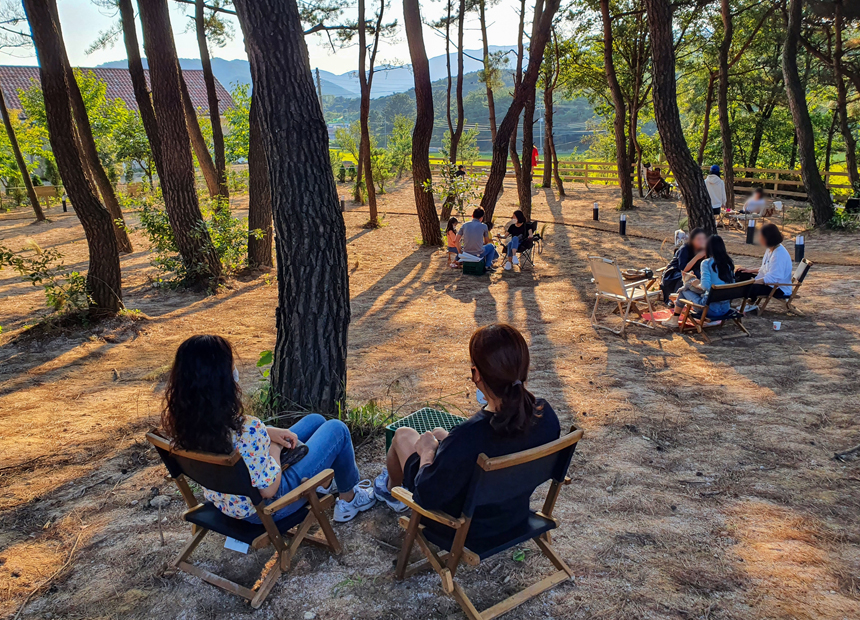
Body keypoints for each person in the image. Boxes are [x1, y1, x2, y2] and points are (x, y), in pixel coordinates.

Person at [373, 324, 561, 540]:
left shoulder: (468, 436)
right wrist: (448, 443)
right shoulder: (545, 415)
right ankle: (393, 485)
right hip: (514, 513)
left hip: (464, 528)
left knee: (404, 435)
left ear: (476, 375)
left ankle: (391, 492)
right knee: (440, 434)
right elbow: (493, 443)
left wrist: (427, 453)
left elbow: (426, 495)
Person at [161, 335, 376, 524]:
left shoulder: (186, 425)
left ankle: (322, 485)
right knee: (337, 429)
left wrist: (267, 432)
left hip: (228, 502)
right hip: (266, 508)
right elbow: (269, 490)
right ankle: (348, 501)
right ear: (222, 381)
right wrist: (271, 445)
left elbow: (242, 437)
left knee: (315, 420)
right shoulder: (249, 430)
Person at [663, 235, 735, 328]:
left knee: (683, 290)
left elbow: (705, 287)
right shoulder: (728, 263)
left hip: (709, 310)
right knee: (687, 287)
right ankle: (674, 318)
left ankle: (674, 319)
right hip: (725, 308)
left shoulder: (707, 263)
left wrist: (695, 283)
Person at [734, 223, 793, 310]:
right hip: (769, 282)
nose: (759, 239)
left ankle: (749, 303)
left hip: (777, 288)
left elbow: (772, 279)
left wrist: (752, 282)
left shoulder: (779, 255)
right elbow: (766, 268)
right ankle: (750, 300)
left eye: (761, 237)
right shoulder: (771, 249)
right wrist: (750, 271)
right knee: (741, 273)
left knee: (748, 287)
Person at [660, 227, 707, 304]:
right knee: (688, 278)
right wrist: (697, 257)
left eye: (703, 239)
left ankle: (698, 298)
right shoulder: (685, 248)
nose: (702, 241)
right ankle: (675, 300)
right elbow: (683, 269)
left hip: (692, 273)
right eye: (699, 239)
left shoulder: (703, 249)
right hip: (674, 274)